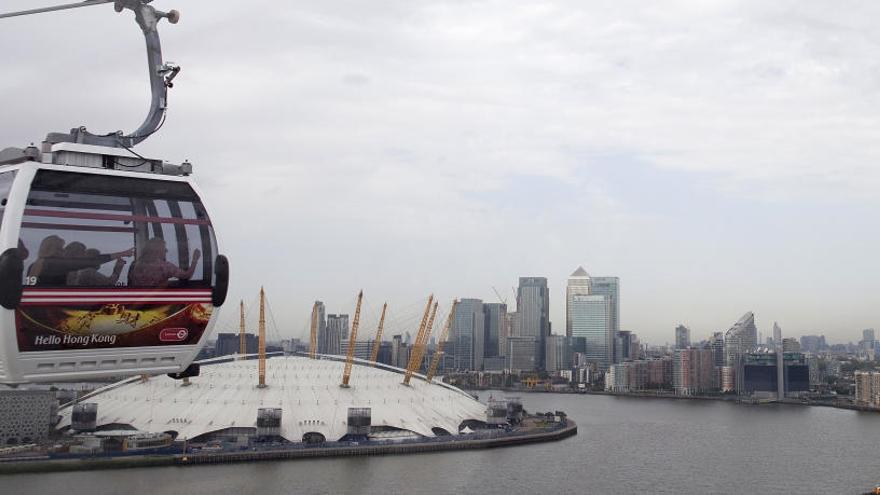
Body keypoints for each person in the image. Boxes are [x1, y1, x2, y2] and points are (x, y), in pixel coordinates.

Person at [27, 235, 132, 286]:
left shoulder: (34, 266)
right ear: (52, 250)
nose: (64, 251)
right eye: (61, 248)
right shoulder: (55, 264)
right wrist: (122, 254)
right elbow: (92, 262)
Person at [128, 238, 201, 287]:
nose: (166, 251)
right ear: (157, 251)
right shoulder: (164, 267)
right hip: (156, 304)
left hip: (135, 303)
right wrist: (195, 259)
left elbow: (129, 284)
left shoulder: (134, 264)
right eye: (164, 248)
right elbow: (187, 275)